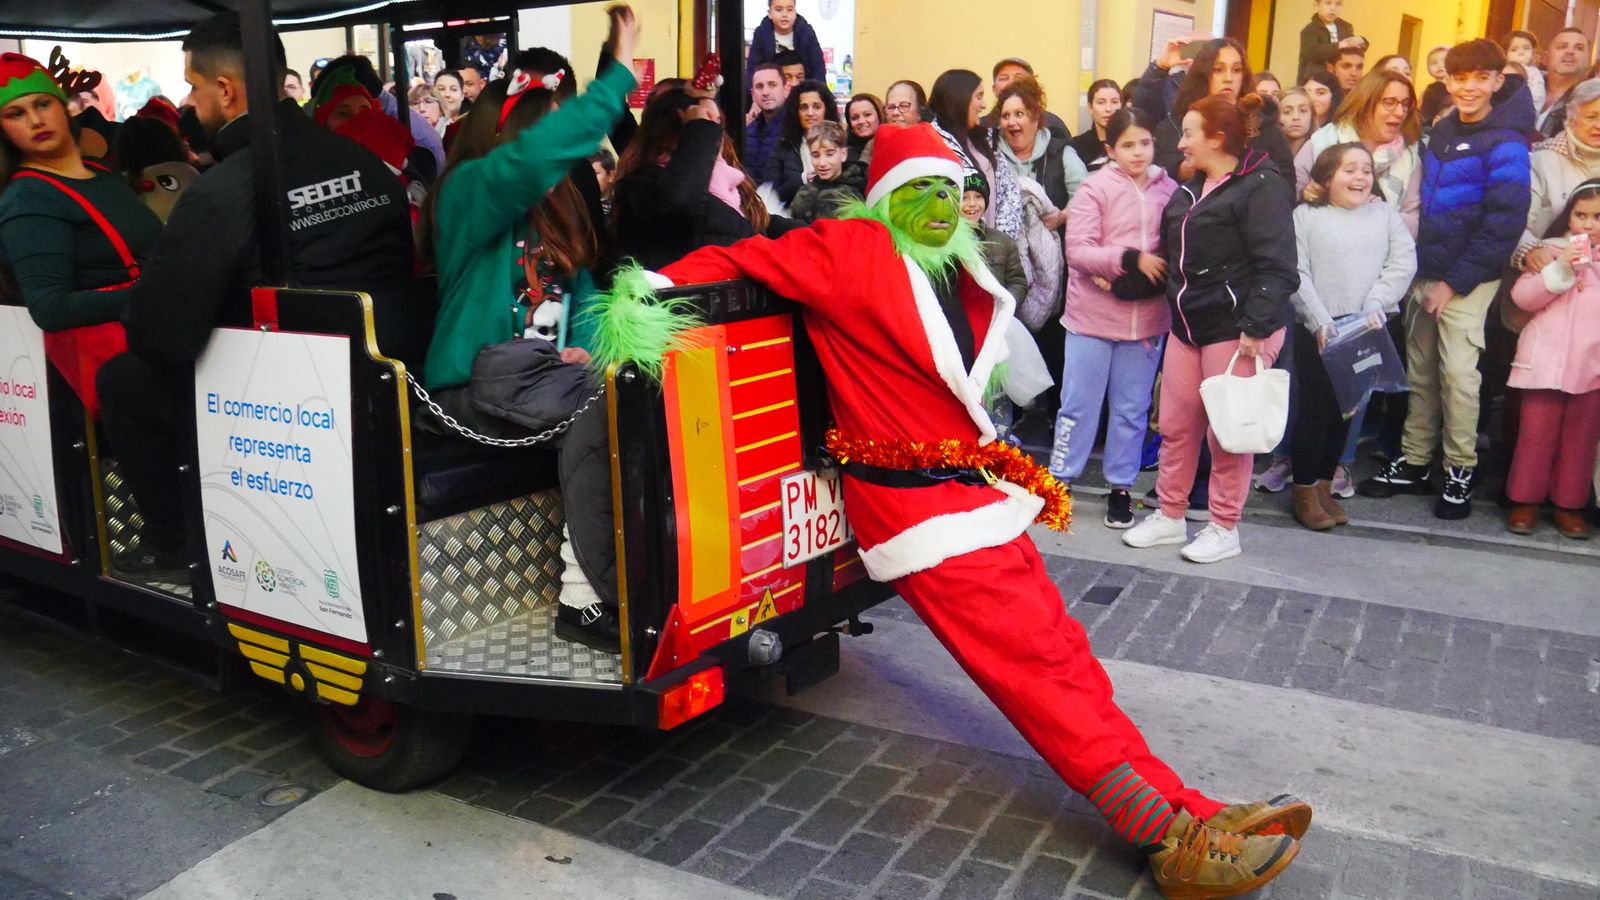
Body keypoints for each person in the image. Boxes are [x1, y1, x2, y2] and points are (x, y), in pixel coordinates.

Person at [596, 122, 1310, 900]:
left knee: (1064, 654)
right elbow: (739, 259)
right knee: (1036, 670)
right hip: (913, 512)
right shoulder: (847, 250)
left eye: (951, 188)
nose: (942, 203)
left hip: (970, 493)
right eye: (921, 190)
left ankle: (1187, 802)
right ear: (887, 199)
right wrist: (645, 295)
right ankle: (1165, 835)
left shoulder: (956, 261)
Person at [94, 13, 413, 580]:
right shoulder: (359, 162)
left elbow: (162, 333)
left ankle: (175, 546)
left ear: (225, 89)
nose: (188, 101)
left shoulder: (227, 188)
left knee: (123, 378)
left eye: (193, 86)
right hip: (390, 371)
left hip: (288, 400)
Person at [421, 10, 641, 650]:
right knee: (601, 408)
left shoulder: (554, 202)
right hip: (474, 383)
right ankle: (587, 597)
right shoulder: (467, 190)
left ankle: (644, 568)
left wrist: (590, 347)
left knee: (634, 388)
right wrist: (617, 76)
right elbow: (534, 159)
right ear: (511, 129)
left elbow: (586, 298)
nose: (563, 143)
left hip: (539, 378)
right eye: (549, 125)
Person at [1357, 40, 1533, 519]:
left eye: (1480, 77)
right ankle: (1415, 461)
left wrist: (1452, 283)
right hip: (1424, 271)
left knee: (1457, 375)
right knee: (1421, 372)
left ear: (1498, 80)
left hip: (1467, 281)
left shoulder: (1508, 142)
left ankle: (1459, 468)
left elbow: (1504, 224)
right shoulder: (1441, 129)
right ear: (1447, 82)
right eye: (1459, 78)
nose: (1468, 87)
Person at [1123, 94, 1296, 563]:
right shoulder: (1189, 190)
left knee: (1229, 434)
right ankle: (1171, 514)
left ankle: (1224, 526)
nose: (1179, 144)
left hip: (1238, 331)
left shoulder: (1261, 186)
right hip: (1188, 327)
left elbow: (1278, 267)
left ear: (1217, 138)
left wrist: (1256, 328)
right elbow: (1173, 263)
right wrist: (1121, 275)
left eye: (1189, 134)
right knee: (1177, 427)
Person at [1049, 107, 1175, 528]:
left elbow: (1177, 246)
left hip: (1146, 324)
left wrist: (1155, 271)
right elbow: (1078, 251)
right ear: (1110, 149)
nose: (1138, 152)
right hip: (1091, 322)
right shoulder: (1094, 189)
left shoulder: (1168, 190)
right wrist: (1127, 260)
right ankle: (1059, 481)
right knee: (1078, 407)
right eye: (1127, 144)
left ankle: (1120, 488)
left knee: (1131, 410)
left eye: (1144, 143)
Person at [0, 51, 163, 363]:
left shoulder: (101, 172)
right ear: (3, 130)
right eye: (15, 113)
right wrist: (155, 294)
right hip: (112, 362)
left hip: (153, 344)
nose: (35, 121)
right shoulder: (28, 197)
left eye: (42, 104)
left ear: (64, 106)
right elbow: (50, 308)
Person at [1287, 143, 1416, 530]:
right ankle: (1305, 490)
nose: (1359, 177)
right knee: (1317, 411)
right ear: (1326, 178)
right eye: (1348, 170)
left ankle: (1325, 484)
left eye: (1365, 170)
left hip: (1367, 326)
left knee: (1348, 409)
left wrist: (1376, 303)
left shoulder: (1384, 215)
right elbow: (1297, 272)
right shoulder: (1306, 216)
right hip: (1320, 329)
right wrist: (1321, 321)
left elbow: (1402, 261)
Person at [1504, 180, 1600, 539]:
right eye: (1581, 215)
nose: (1588, 224)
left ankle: (1569, 505)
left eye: (1597, 217)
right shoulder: (1548, 250)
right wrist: (1560, 269)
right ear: (1568, 217)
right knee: (1536, 435)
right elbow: (1523, 298)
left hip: (1591, 368)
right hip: (1543, 364)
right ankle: (1524, 500)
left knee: (1581, 438)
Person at [610, 87, 777, 271]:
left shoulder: (731, 182)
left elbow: (758, 226)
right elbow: (677, 202)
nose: (714, 130)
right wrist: (699, 129)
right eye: (705, 121)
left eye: (717, 123)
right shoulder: (643, 185)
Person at [1141, 38, 1295, 184]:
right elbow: (1144, 122)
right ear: (1203, 75)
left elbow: (1285, 183)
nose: (1228, 78)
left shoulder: (1262, 124)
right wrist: (1160, 68)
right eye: (1218, 70)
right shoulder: (1180, 120)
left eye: (1236, 70)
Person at [1295, 68, 1423, 236]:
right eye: (1390, 102)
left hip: (1381, 256)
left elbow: (1413, 222)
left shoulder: (1410, 157)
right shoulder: (1322, 143)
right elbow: (1289, 199)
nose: (1400, 112)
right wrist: (1311, 196)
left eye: (1405, 104)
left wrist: (1370, 215)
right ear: (1366, 102)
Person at [1517, 80, 1600, 274]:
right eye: (1591, 117)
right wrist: (1530, 249)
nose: (1599, 125)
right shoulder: (1541, 162)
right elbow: (1515, 223)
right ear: (1570, 119)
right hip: (1548, 274)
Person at [992, 75, 1087, 213]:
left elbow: (1084, 197)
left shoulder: (1061, 153)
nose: (1011, 122)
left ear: (1035, 118)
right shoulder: (990, 154)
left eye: (1019, 114)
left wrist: (1062, 216)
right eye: (1005, 116)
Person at [958, 171, 1025, 304]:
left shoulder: (1003, 242)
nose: (972, 203)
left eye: (978, 196)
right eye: (964, 197)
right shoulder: (942, 244)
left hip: (996, 318)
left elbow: (1018, 282)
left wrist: (1005, 306)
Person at [766, 78, 837, 204]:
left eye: (816, 107)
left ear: (826, 109)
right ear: (796, 112)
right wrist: (802, 180)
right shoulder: (783, 147)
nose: (810, 113)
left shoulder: (840, 145)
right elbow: (770, 194)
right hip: (791, 218)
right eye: (804, 107)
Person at [790, 121, 866, 224]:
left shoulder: (854, 192)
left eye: (829, 154)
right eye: (816, 155)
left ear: (843, 154)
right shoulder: (804, 191)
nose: (822, 163)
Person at [744, 0, 826, 91]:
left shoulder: (806, 32)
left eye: (790, 10)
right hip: (772, 90)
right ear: (769, 13)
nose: (785, 14)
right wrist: (753, 92)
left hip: (802, 89)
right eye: (779, 10)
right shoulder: (761, 33)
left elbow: (818, 66)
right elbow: (753, 66)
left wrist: (817, 92)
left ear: (795, 11)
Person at [1538, 28, 1591, 137]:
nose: (1570, 51)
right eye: (1562, 47)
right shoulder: (1522, 86)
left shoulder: (1591, 101)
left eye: (1579, 48)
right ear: (1545, 58)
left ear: (1588, 60)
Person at [744, 61, 788, 182]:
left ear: (786, 89)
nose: (765, 92)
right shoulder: (748, 132)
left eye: (772, 85)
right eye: (759, 86)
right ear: (753, 95)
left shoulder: (795, 128)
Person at [1070, 79, 1123, 172]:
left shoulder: (1130, 142)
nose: (1108, 109)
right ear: (1090, 107)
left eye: (1114, 102)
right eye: (1101, 103)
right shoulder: (1077, 147)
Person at [1298, 0, 1355, 83]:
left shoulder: (1345, 28)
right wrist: (1338, 45)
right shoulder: (1310, 30)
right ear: (1317, 5)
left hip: (1339, 77)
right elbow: (1313, 53)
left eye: (1338, 4)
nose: (1333, 8)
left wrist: (1361, 41)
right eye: (1328, 3)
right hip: (1315, 78)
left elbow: (1352, 47)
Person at [1279, 86, 1316, 158]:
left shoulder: (1321, 149)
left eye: (1303, 111)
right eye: (1287, 112)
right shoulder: (1266, 154)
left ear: (1312, 116)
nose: (1296, 117)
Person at [845, 93, 883, 161]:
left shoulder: (893, 144)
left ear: (880, 116)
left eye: (867, 114)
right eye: (854, 118)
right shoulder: (845, 154)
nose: (861, 121)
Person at [1420, 46, 1453, 124]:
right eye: (1434, 63)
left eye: (1444, 62)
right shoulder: (1429, 90)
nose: (1439, 66)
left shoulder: (1455, 87)